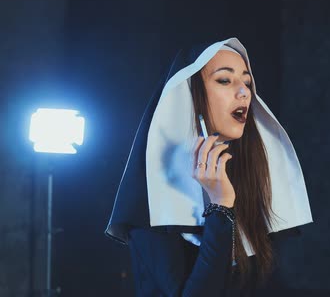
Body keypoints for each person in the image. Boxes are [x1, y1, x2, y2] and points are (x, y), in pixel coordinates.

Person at [105, 38, 313, 296]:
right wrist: (220, 205)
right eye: (225, 80)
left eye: (247, 82)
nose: (245, 92)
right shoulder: (151, 199)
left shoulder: (245, 182)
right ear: (189, 95)